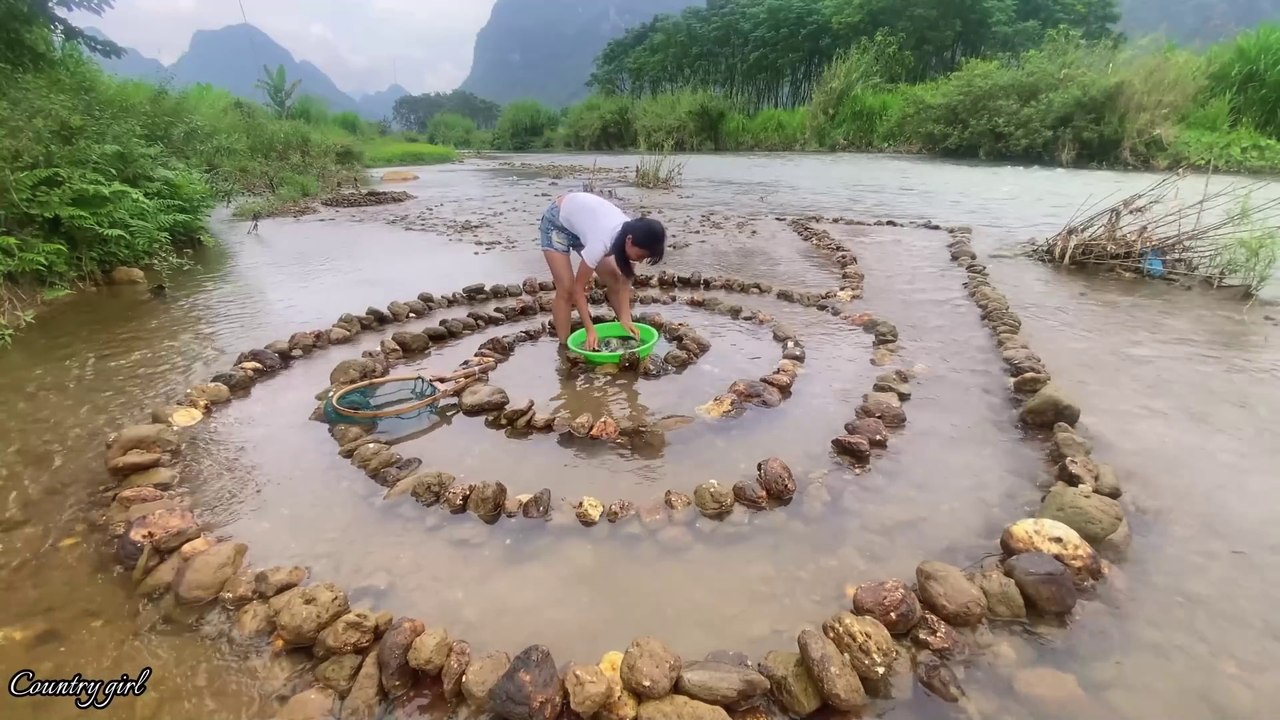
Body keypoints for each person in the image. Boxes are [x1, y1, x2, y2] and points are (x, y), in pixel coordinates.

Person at [538, 191, 666, 351]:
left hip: (585, 224)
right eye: (640, 256)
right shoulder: (602, 241)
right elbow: (579, 289)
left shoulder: (632, 236)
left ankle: (627, 334)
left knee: (614, 281)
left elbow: (624, 284)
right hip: (558, 222)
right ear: (629, 241)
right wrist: (590, 330)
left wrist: (626, 319)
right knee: (567, 289)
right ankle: (564, 347)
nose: (639, 260)